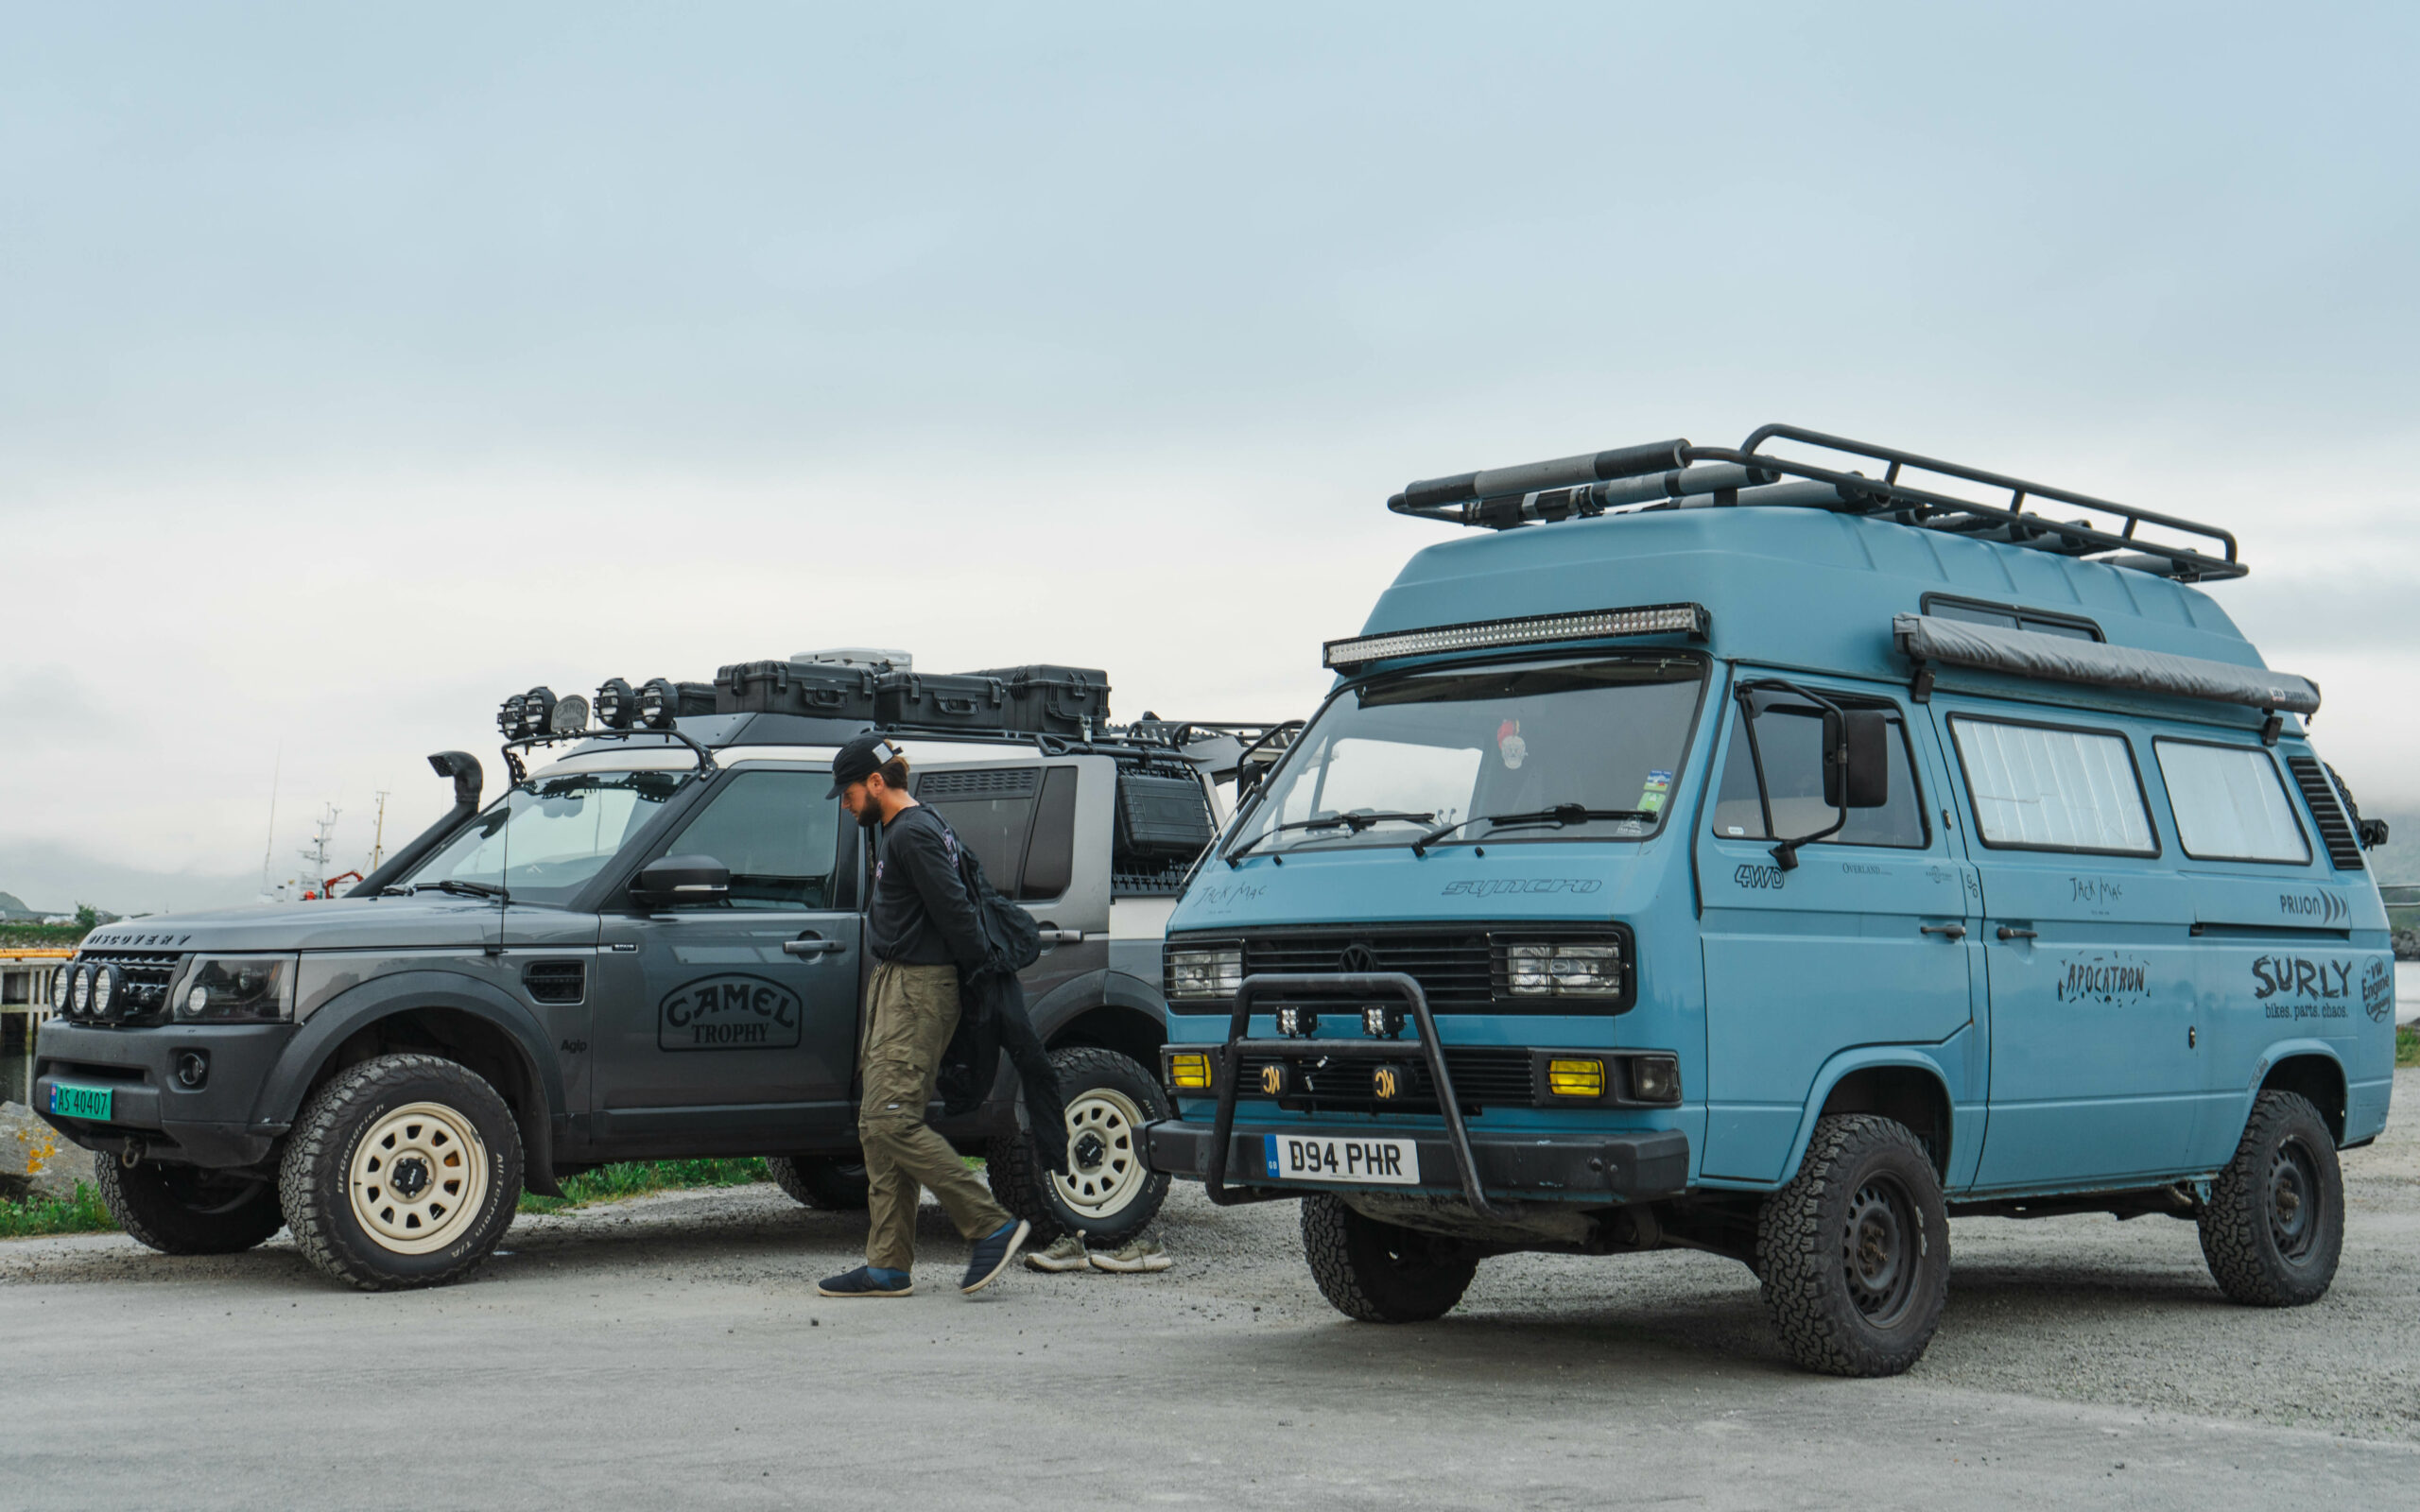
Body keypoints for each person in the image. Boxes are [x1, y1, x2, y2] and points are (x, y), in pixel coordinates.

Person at [817, 734, 1030, 1297]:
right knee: (875, 1123)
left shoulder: (913, 833)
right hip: (897, 984)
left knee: (891, 1118)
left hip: (918, 988)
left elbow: (959, 914)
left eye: (849, 791)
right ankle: (888, 1264)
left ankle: (992, 1224)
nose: (845, 803)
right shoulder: (900, 829)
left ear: (877, 783)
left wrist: (974, 983)